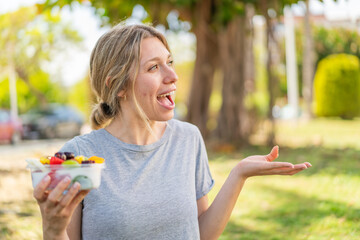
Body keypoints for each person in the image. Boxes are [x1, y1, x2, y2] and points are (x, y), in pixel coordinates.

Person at [33, 22, 311, 240]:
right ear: (117, 86)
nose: (173, 76)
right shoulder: (78, 157)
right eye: (154, 67)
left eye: (170, 62)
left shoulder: (188, 138)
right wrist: (53, 230)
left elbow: (200, 233)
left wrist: (238, 174)